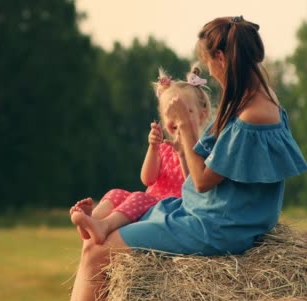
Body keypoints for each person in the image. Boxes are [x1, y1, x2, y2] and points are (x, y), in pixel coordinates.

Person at [51, 16, 307, 301]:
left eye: (209, 64)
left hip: (217, 226)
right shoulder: (260, 97)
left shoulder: (252, 114)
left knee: (97, 253)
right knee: (97, 240)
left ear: (222, 58)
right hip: (208, 211)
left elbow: (202, 180)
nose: (212, 75)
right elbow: (206, 172)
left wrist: (185, 125)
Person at [70, 66, 212, 245]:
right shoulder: (164, 148)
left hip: (172, 210)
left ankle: (104, 226)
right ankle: (92, 222)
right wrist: (153, 148)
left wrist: (183, 155)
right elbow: (147, 179)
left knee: (139, 197)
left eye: (186, 112)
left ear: (202, 115)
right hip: (149, 204)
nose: (178, 119)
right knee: (116, 193)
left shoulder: (202, 150)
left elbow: (193, 187)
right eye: (171, 114)